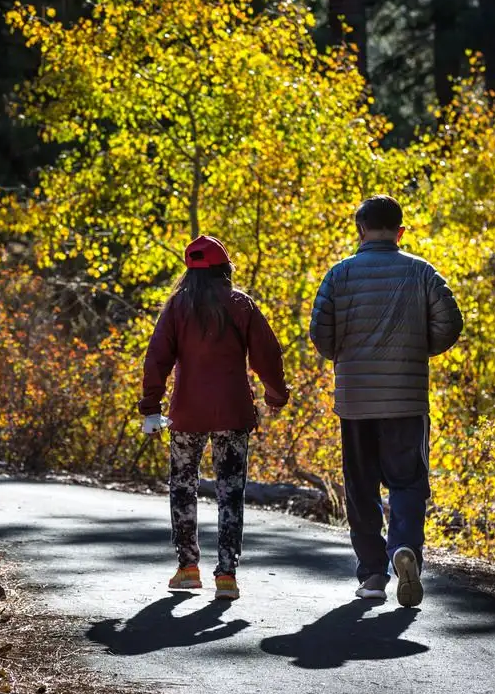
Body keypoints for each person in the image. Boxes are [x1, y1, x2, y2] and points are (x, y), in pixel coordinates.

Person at [309, 195, 463, 608]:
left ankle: (373, 575)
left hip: (356, 400)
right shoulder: (422, 272)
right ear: (400, 231)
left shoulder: (339, 276)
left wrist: (344, 354)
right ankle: (404, 549)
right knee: (408, 481)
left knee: (360, 487)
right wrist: (418, 350)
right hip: (407, 400)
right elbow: (451, 323)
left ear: (360, 230)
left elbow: (321, 333)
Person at [139, 235, 290, 601]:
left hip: (186, 413)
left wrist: (151, 408)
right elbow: (266, 354)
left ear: (189, 272)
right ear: (225, 269)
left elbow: (157, 356)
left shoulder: (177, 307)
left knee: (182, 487)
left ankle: (188, 568)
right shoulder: (241, 304)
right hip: (233, 411)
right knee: (230, 491)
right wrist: (275, 394)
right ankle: (227, 576)